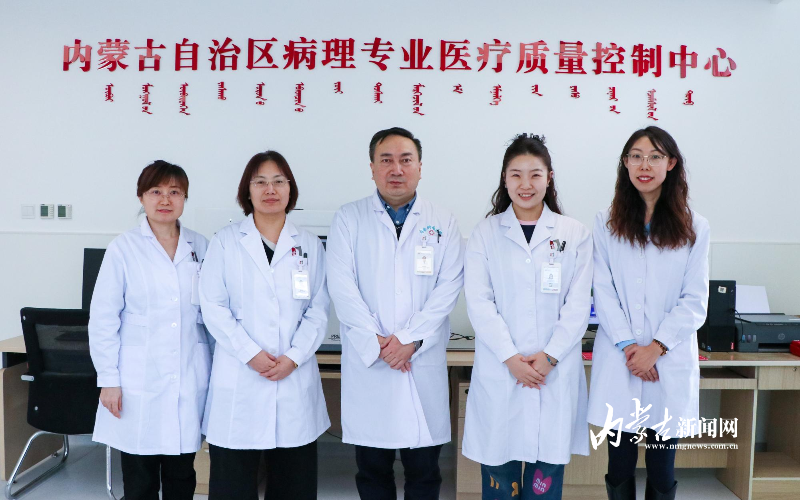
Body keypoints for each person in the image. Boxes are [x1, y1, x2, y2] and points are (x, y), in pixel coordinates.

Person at [327, 127, 464, 500]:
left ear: (420, 167)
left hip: (419, 358)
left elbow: (448, 287)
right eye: (386, 160)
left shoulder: (443, 220)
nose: (396, 169)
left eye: (406, 160)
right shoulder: (349, 218)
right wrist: (378, 342)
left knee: (425, 472)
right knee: (372, 471)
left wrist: (410, 340)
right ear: (372, 168)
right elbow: (341, 286)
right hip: (371, 359)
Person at [462, 134, 591, 500]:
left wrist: (549, 357)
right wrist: (511, 359)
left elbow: (578, 306)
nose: (526, 184)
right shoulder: (485, 234)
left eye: (535, 174)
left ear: (549, 178)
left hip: (554, 371)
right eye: (516, 175)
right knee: (500, 481)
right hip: (501, 370)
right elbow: (479, 303)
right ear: (504, 179)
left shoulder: (574, 234)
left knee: (543, 482)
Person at [199, 151, 330, 500]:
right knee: (232, 486)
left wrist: (294, 357)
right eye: (260, 182)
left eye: (278, 181)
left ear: (290, 189)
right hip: (240, 377)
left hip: (293, 377)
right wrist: (251, 354)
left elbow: (318, 309)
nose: (270, 190)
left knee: (294, 485)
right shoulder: (226, 241)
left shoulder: (309, 245)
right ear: (248, 190)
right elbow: (213, 307)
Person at [587, 126, 710, 500]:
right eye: (636, 156)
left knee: (661, 464)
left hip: (667, 360)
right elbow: (602, 291)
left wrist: (655, 348)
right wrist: (630, 347)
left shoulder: (694, 226)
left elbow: (695, 300)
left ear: (671, 164)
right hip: (621, 358)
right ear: (625, 163)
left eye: (655, 156)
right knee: (619, 461)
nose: (645, 165)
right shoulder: (606, 223)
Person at [90, 160, 211, 500]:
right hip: (136, 380)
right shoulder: (123, 248)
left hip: (188, 374)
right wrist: (109, 379)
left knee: (182, 475)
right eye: (156, 191)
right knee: (140, 479)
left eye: (175, 192)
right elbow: (103, 318)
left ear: (185, 198)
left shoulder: (201, 246)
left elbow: (213, 315)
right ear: (141, 197)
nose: (165, 199)